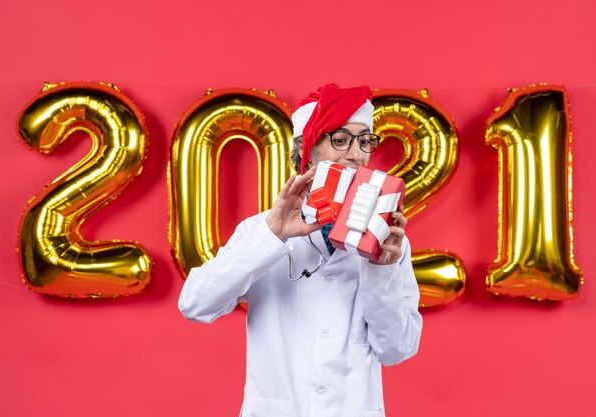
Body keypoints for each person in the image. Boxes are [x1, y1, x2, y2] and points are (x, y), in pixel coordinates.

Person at [178, 83, 422, 417]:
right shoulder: (262, 229)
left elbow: (396, 349)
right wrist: (271, 236)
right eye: (340, 140)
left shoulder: (388, 241)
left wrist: (380, 271)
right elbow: (195, 304)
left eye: (364, 140)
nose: (356, 154)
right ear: (307, 151)